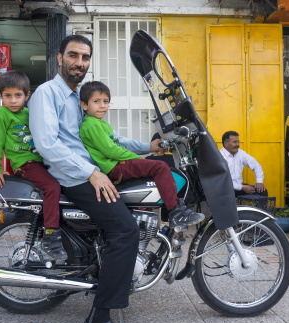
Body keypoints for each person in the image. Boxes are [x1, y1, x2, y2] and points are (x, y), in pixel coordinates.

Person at [28, 35, 158, 323]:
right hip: (73, 176)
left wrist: (147, 148)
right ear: (59, 58)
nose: (79, 62)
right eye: (73, 55)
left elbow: (107, 136)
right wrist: (92, 173)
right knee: (125, 229)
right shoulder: (47, 94)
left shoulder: (78, 97)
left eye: (85, 57)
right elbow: (48, 144)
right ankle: (98, 322)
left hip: (87, 171)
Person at [79, 81, 204, 227]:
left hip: (117, 163)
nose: (102, 105)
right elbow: (111, 150)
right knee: (160, 167)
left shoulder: (101, 123)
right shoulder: (92, 125)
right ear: (84, 105)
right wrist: (136, 157)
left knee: (156, 168)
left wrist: (149, 148)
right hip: (115, 166)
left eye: (106, 101)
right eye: (96, 101)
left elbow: (120, 142)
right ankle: (175, 211)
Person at [0, 70, 66, 260]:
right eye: (8, 96)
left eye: (18, 95)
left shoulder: (29, 113)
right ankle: (51, 235)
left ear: (27, 96)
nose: (13, 100)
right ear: (0, 96)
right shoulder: (1, 113)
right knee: (52, 187)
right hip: (24, 164)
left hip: (40, 162)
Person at [220, 131, 267, 197]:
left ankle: (259, 208)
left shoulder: (240, 153)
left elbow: (256, 165)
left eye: (238, 141)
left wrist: (259, 182)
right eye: (235, 142)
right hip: (225, 190)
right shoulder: (220, 157)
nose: (238, 144)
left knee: (262, 191)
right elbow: (223, 182)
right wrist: (242, 187)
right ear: (226, 144)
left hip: (240, 187)